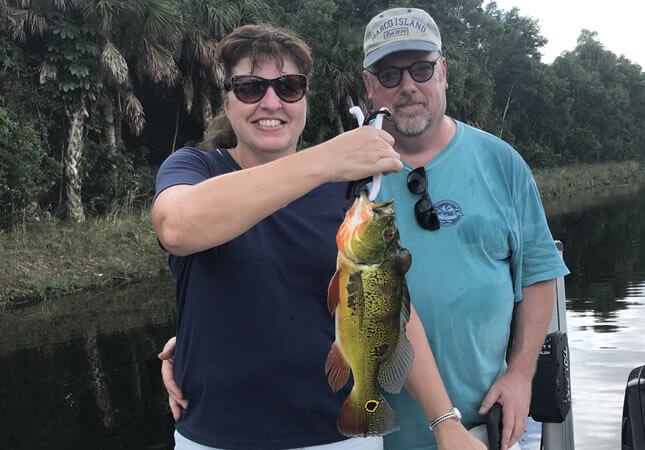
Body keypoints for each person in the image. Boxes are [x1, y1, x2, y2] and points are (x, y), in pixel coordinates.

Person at [152, 23, 485, 450]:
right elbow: (177, 227)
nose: (270, 102)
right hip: (216, 437)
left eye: (289, 86)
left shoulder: (344, 190)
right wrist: (326, 159)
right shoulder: (194, 170)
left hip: (341, 435)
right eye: (251, 87)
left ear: (304, 98)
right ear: (227, 100)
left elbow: (390, 306)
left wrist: (445, 422)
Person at [357, 7, 570, 450]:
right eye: (390, 75)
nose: (408, 86)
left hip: (491, 428)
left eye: (420, 68)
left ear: (443, 72)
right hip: (378, 436)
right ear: (369, 86)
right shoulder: (344, 173)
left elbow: (538, 271)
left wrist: (521, 373)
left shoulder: (502, 162)